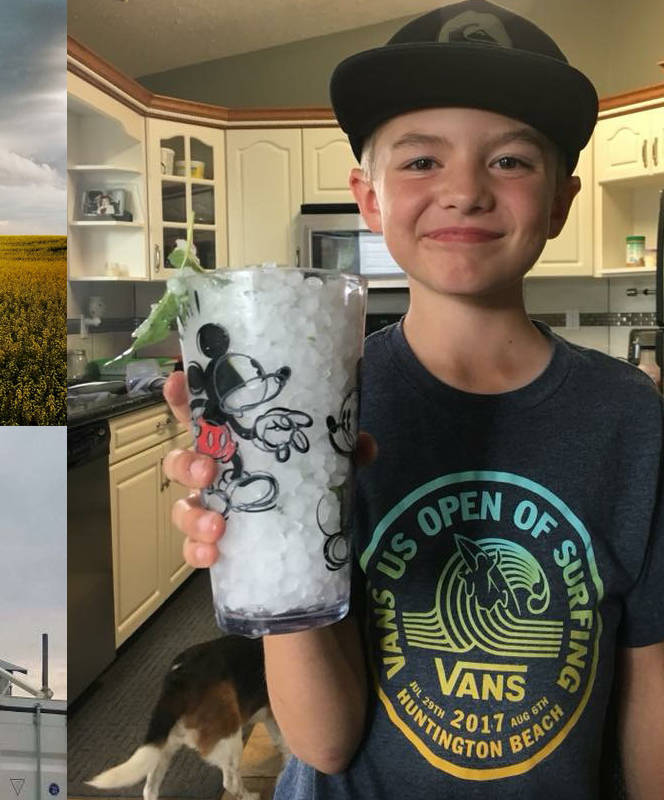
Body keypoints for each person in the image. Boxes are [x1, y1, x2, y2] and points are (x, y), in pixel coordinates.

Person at [161, 1, 664, 797]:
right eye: (422, 161)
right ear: (369, 199)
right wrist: (265, 529)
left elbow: (650, 703)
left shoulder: (635, 419)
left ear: (563, 201)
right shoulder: (315, 411)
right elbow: (324, 743)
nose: (464, 190)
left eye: (510, 161)